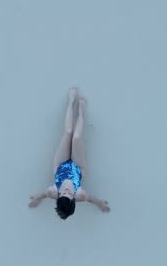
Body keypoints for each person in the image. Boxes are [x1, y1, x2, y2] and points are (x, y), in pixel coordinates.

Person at [28, 87, 111, 218]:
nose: (66, 191)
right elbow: (91, 200)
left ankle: (70, 102)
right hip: (78, 167)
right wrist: (100, 203)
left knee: (68, 133)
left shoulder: (52, 192)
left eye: (63, 194)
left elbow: (43, 195)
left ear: (58, 197)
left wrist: (37, 198)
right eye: (69, 194)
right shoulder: (81, 195)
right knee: (77, 137)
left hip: (60, 165)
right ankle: (81, 113)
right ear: (73, 199)